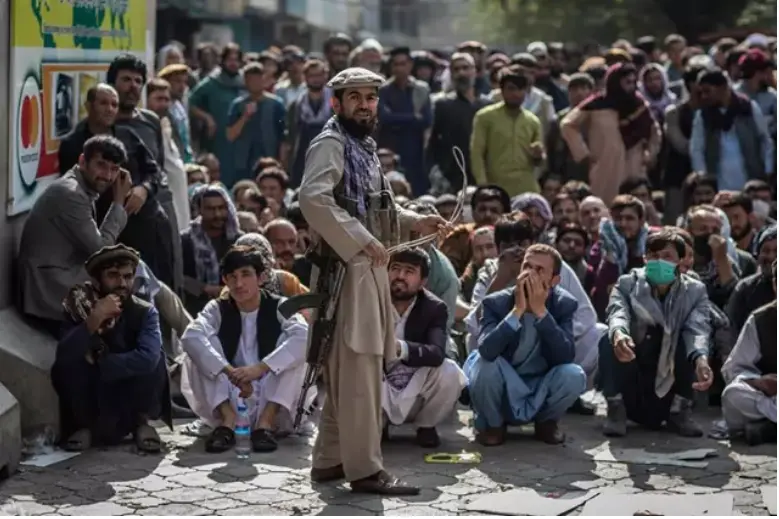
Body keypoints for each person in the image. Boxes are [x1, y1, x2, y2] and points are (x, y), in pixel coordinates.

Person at [298, 67, 448, 495]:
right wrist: (362, 241)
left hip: (367, 268)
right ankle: (365, 471)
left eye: (371, 97)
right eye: (355, 97)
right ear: (337, 103)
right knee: (360, 371)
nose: (365, 105)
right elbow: (312, 198)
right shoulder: (330, 143)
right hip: (347, 271)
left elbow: (378, 211)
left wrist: (416, 220)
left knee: (350, 371)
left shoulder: (362, 146)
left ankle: (329, 462)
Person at [180, 245, 312, 453]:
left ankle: (265, 424)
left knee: (296, 350)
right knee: (199, 348)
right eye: (232, 277)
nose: (239, 284)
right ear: (225, 280)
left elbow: (304, 337)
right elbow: (191, 336)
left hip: (271, 393)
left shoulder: (279, 306)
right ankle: (227, 421)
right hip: (231, 391)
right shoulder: (217, 308)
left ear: (260, 278)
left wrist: (260, 368)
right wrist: (228, 371)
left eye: (246, 275)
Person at [52, 244, 171, 453]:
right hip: (94, 397)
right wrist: (93, 321)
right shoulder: (79, 307)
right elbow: (64, 357)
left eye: (127, 276)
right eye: (113, 276)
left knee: (157, 358)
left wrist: (100, 364)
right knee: (70, 363)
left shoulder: (145, 312)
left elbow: (148, 359)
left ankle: (142, 423)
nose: (122, 283)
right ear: (99, 281)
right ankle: (85, 426)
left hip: (129, 392)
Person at [465, 244, 585, 446]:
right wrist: (517, 312)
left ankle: (546, 423)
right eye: (527, 266)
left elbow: (565, 355)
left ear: (554, 280)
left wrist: (541, 313)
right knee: (482, 364)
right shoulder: (496, 303)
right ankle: (494, 426)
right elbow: (486, 349)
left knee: (573, 374)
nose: (530, 274)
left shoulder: (564, 304)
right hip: (504, 380)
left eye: (540, 270)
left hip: (540, 381)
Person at [599, 229, 712, 437]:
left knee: (686, 341)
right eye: (653, 255)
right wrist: (620, 333)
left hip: (670, 380)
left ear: (679, 261)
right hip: (634, 371)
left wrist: (701, 359)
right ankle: (616, 408)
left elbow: (698, 328)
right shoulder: (627, 284)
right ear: (644, 258)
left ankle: (680, 412)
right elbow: (617, 312)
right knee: (608, 338)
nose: (659, 261)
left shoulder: (695, 291)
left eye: (667, 256)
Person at [19, 135, 131, 335]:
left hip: (66, 274)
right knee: (133, 282)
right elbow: (101, 251)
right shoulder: (70, 194)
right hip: (49, 288)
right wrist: (118, 202)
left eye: (114, 169)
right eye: (101, 165)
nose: (107, 175)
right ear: (82, 161)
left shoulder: (82, 188)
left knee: (135, 275)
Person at [382, 248, 467, 448]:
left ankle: (426, 426)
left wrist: (399, 348)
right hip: (379, 380)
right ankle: (377, 425)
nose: (400, 277)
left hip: (415, 381)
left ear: (423, 282)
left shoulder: (434, 308)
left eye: (409, 271)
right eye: (395, 269)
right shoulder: (372, 301)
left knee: (450, 372)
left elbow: (437, 353)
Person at [721, 261, 777, 445]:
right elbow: (734, 368)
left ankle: (770, 429)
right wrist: (758, 382)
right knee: (734, 394)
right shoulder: (761, 319)